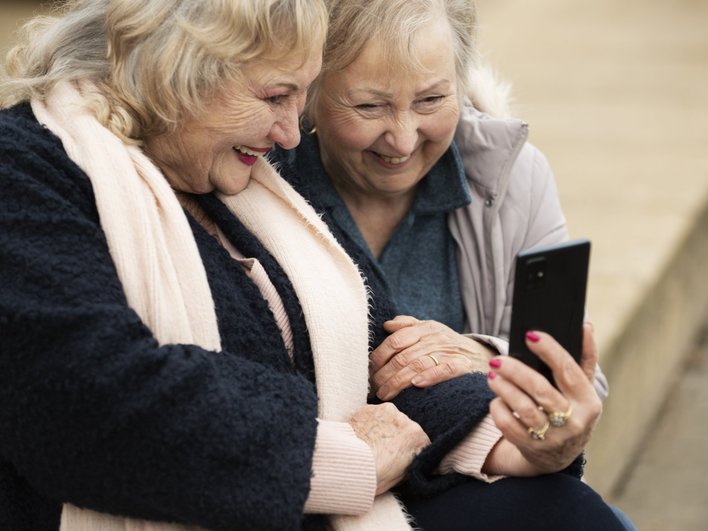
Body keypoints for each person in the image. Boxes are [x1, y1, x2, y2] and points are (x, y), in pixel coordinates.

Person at [0, 1, 627, 530]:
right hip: (223, 498)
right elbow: (85, 398)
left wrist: (510, 440)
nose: (292, 135)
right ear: (178, 70)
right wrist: (331, 456)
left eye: (298, 98)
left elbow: (384, 349)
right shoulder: (25, 171)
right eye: (277, 96)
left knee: (566, 509)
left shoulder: (236, 173)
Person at [273, 0, 636, 528]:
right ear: (310, 92)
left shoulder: (511, 177)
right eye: (370, 107)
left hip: (474, 473)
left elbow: (575, 380)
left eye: (431, 99)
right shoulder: (263, 182)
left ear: (460, 85)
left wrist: (481, 357)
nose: (402, 138)